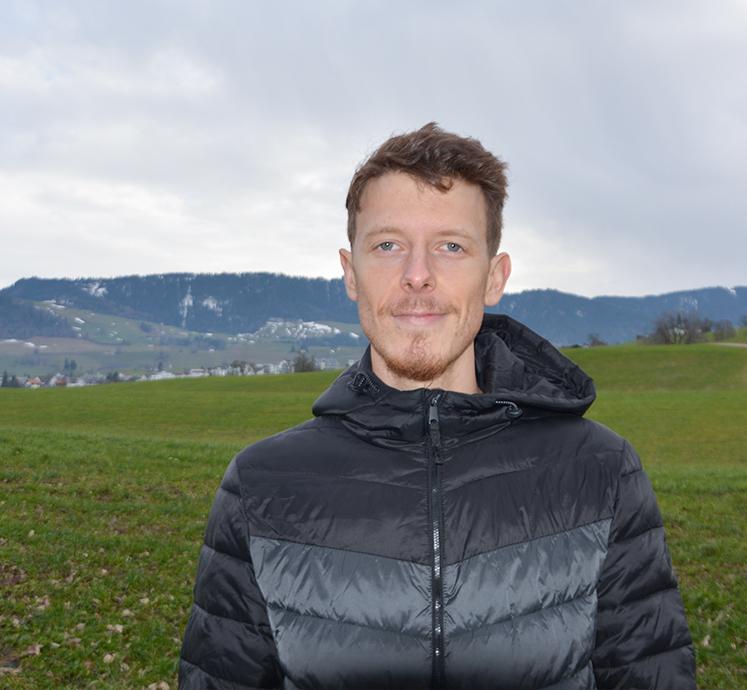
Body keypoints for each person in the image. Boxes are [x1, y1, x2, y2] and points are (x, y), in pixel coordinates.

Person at [179, 123, 697, 689]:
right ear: (350, 273)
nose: (417, 276)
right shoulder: (261, 487)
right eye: (388, 245)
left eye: (451, 246)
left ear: (494, 277)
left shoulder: (599, 473)